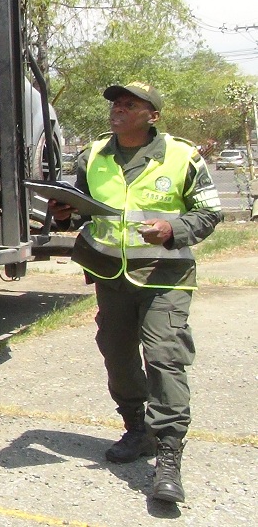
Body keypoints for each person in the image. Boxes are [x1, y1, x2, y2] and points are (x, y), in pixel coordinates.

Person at [49, 82, 221, 504]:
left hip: (166, 274)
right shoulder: (93, 154)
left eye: (130, 105)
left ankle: (167, 454)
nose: (118, 110)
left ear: (152, 116)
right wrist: (65, 213)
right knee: (116, 352)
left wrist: (173, 229)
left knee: (165, 356)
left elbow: (210, 211)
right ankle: (137, 428)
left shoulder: (182, 155)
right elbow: (81, 208)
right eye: (115, 104)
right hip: (112, 274)